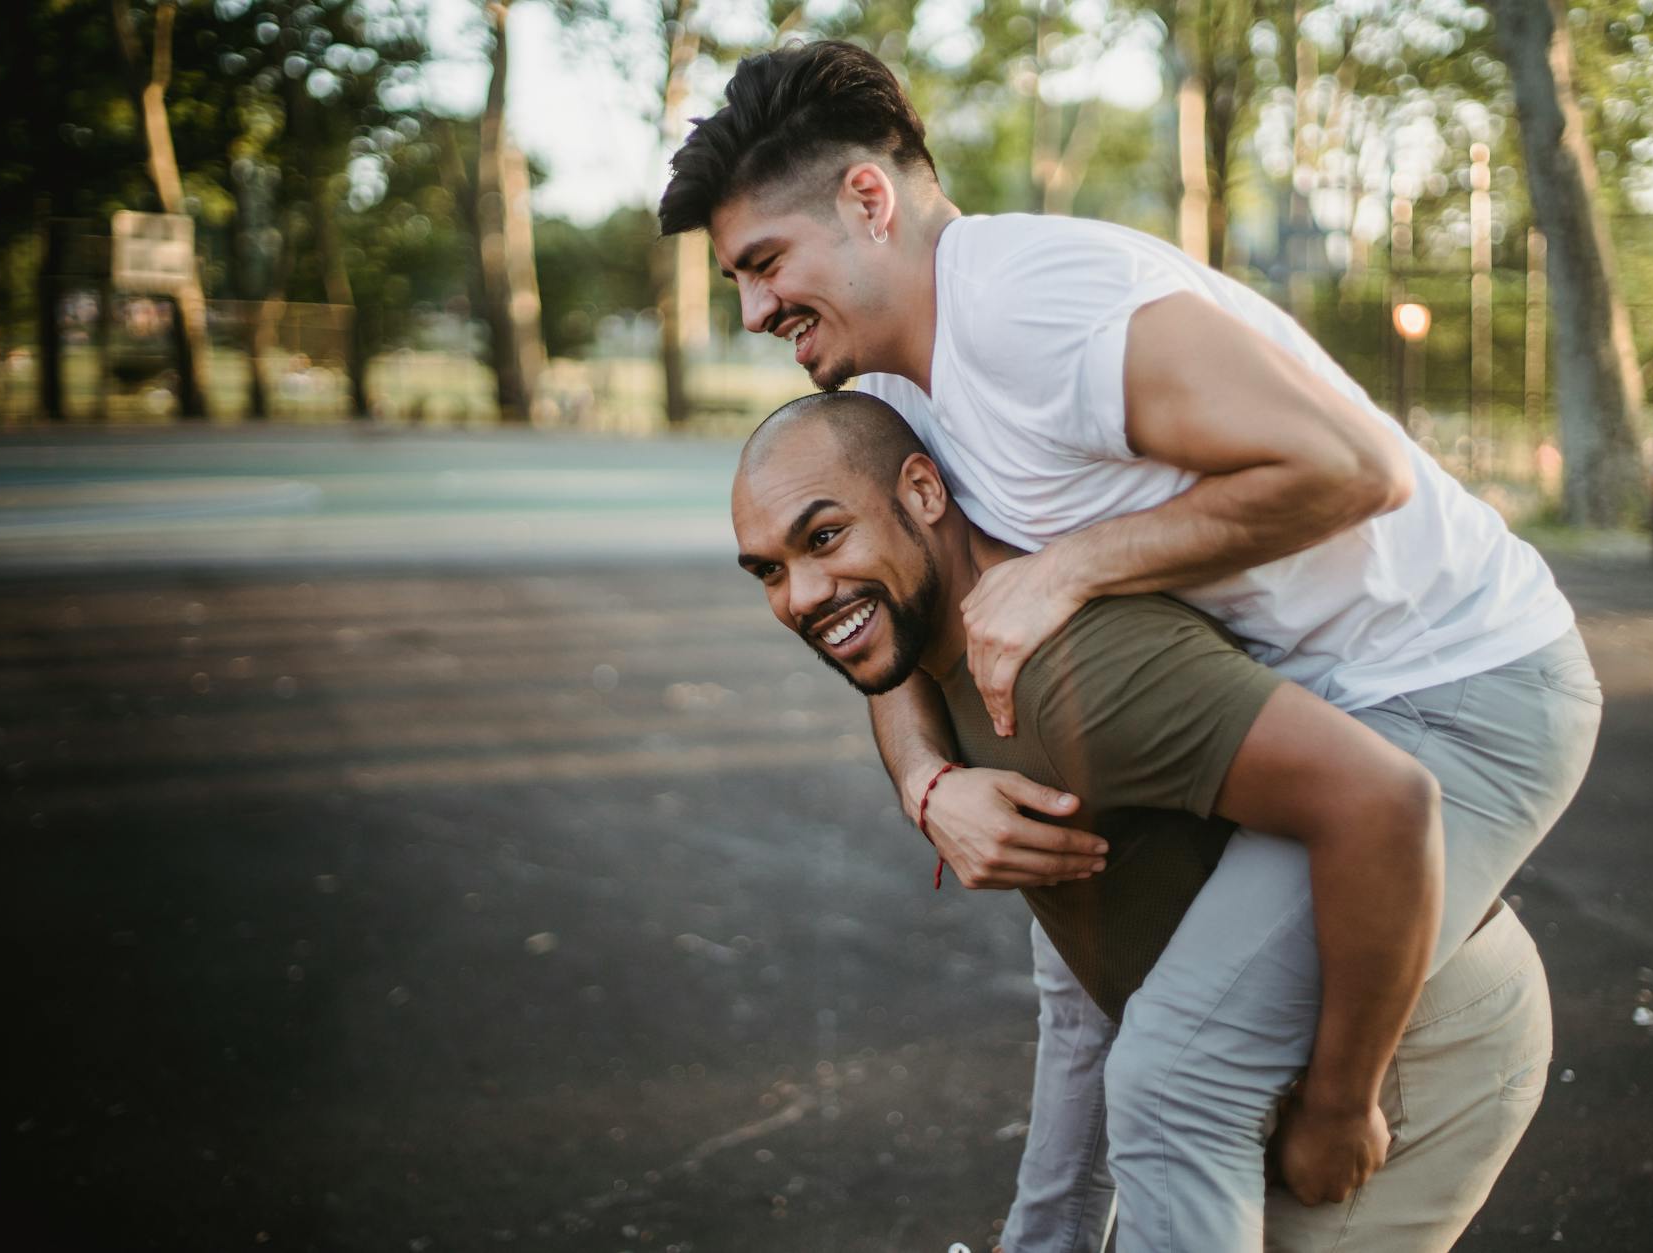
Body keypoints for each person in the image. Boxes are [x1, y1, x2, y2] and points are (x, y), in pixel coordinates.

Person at [663, 40, 1603, 1249]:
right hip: (1311, 688)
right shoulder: (898, 393)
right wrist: (927, 780)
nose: (750, 311)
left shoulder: (1035, 302)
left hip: (1460, 685)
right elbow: (887, 613)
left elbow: (1350, 467)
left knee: (1176, 1075)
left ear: (866, 200)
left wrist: (1337, 1099)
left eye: (763, 263)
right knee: (1090, 959)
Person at [729, 392, 1556, 1252]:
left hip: (1412, 1037)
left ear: (926, 493)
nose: (802, 596)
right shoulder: (925, 636)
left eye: (824, 538)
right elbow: (1082, 1009)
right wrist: (926, 783)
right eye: (769, 571)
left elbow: (1387, 802)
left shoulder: (1073, 676)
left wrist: (1342, 1106)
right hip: (1255, 1056)